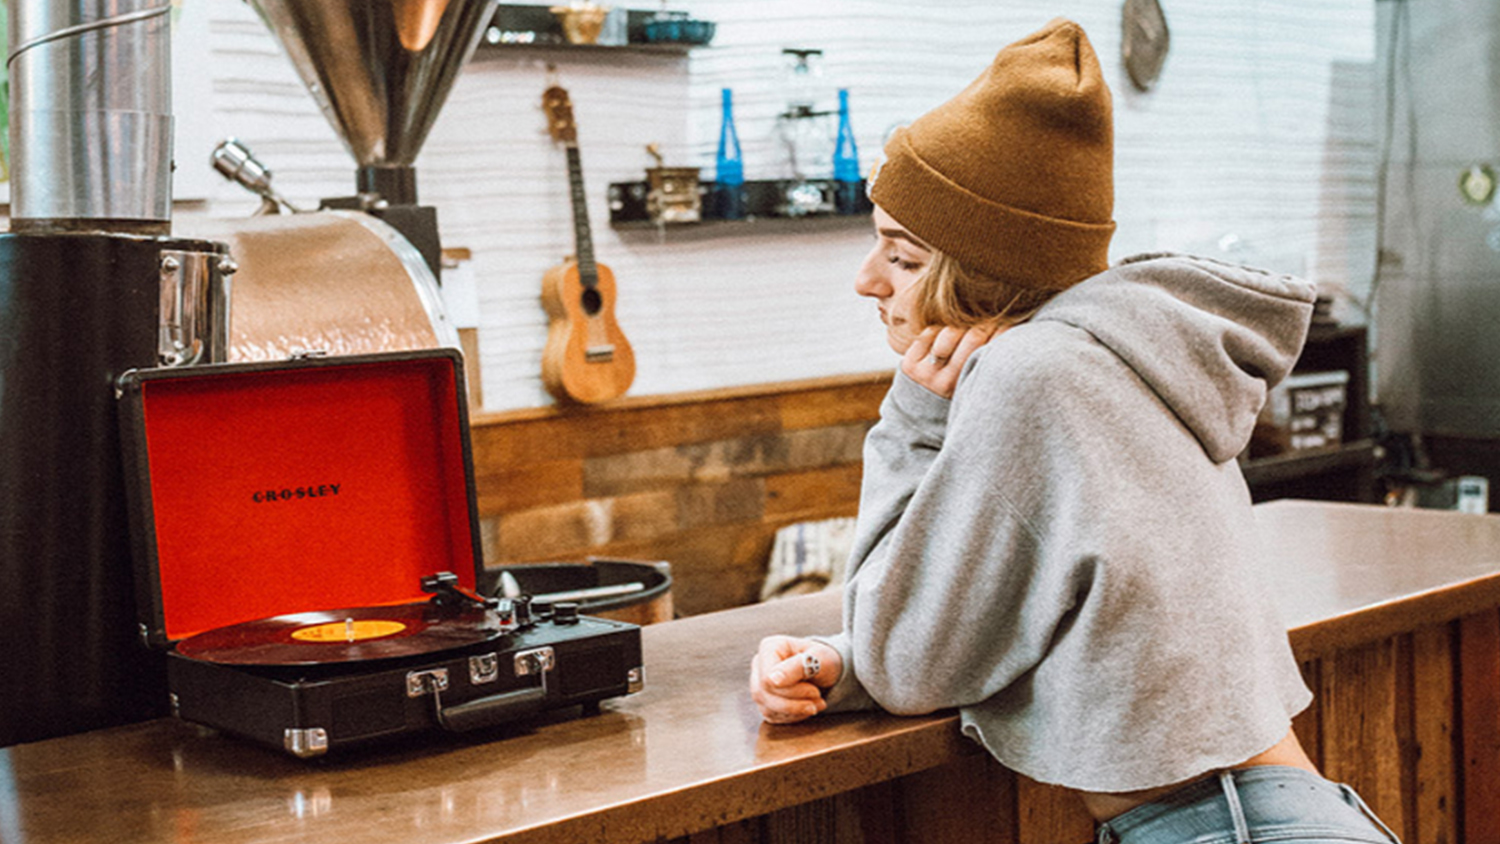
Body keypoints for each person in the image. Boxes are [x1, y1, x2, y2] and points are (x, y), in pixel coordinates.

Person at [747, 18, 1402, 844]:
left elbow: (907, 657)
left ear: (981, 272)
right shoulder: (1123, 351)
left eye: (904, 258)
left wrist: (914, 413)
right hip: (1277, 817)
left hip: (1221, 829)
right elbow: (987, 619)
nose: (866, 281)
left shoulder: (1032, 378)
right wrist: (837, 666)